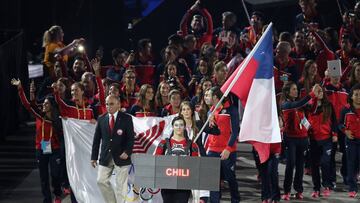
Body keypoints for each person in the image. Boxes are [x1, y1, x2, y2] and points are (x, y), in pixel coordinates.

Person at [11, 78, 62, 203]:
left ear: (52, 106)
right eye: (43, 104)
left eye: (46, 104)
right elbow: (27, 105)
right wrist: (20, 88)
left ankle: (57, 193)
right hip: (41, 148)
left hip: (55, 149)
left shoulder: (59, 119)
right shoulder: (40, 115)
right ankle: (47, 200)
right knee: (43, 177)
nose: (43, 105)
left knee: (55, 175)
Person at [281, 82, 321, 200]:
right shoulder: (286, 104)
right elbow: (299, 103)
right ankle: (287, 191)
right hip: (290, 139)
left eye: (296, 89)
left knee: (299, 166)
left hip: (303, 138)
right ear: (287, 92)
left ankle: (298, 190)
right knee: (290, 164)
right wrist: (312, 94)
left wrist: (315, 98)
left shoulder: (299, 105)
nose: (296, 91)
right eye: (293, 89)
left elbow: (312, 110)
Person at [91, 95, 134, 203]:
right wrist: (93, 157)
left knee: (121, 188)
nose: (108, 106)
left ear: (118, 105)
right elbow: (96, 140)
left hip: (121, 157)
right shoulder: (101, 118)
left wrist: (127, 152)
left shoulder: (126, 118)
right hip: (106, 156)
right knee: (101, 181)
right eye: (106, 104)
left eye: (111, 104)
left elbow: (130, 139)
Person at [205, 86, 240, 203]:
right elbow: (211, 132)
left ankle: (235, 200)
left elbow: (235, 131)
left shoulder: (232, 110)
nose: (206, 98)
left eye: (208, 95)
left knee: (230, 178)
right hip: (212, 150)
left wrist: (228, 149)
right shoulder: (211, 111)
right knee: (213, 180)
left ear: (215, 97)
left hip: (227, 151)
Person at [155, 116, 199, 203]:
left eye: (181, 125)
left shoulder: (192, 145)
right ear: (172, 127)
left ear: (184, 127)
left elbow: (196, 164)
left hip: (184, 184)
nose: (179, 127)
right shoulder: (163, 143)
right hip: (167, 183)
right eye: (176, 125)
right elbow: (156, 161)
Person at [339, 83, 360, 198]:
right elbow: (339, 124)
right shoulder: (346, 109)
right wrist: (345, 131)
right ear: (351, 96)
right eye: (356, 95)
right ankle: (352, 188)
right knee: (351, 164)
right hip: (351, 142)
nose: (358, 97)